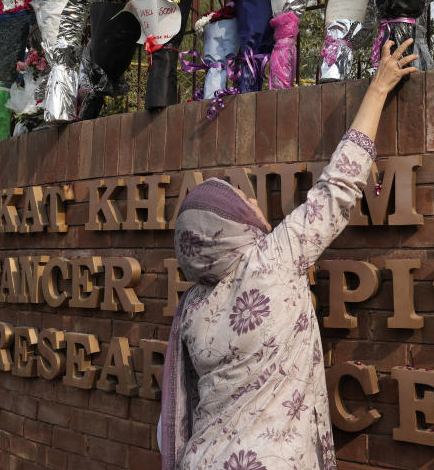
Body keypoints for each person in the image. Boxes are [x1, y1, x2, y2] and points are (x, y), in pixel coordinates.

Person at [158, 39, 419, 470]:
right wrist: (377, 90)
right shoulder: (274, 260)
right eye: (243, 202)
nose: (255, 204)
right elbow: (339, 184)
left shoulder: (191, 310)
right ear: (231, 227)